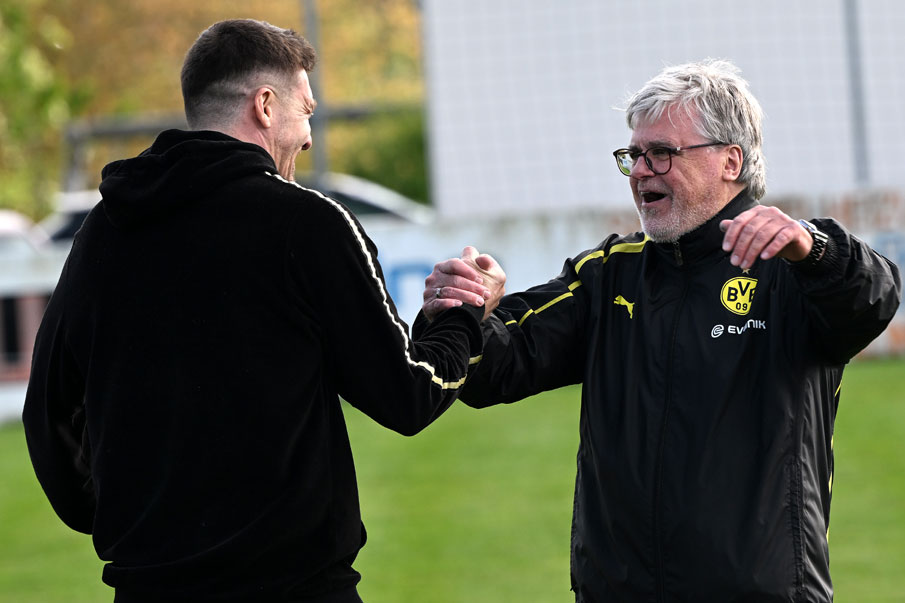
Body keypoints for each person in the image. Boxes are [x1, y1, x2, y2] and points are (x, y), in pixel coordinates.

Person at [23, 19, 503, 603]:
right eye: (307, 111)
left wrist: (118, 519)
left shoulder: (105, 230)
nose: (308, 136)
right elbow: (408, 396)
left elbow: (48, 412)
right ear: (266, 105)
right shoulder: (308, 224)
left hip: (147, 585)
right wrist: (462, 311)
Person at [421, 59, 901, 602]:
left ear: (730, 161)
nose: (641, 171)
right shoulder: (609, 274)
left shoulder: (794, 269)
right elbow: (497, 368)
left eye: (662, 153)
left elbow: (872, 299)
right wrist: (460, 309)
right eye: (634, 155)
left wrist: (815, 247)